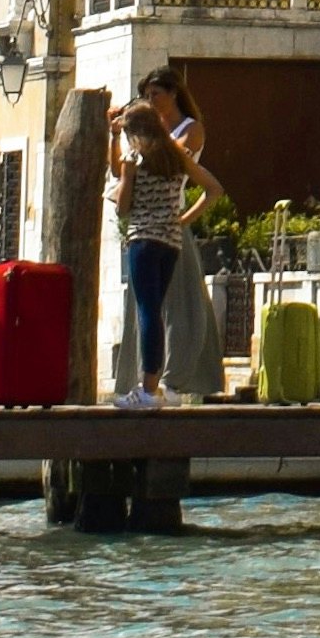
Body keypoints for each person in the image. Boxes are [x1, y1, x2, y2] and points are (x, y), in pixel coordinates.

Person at [112, 69, 220, 400]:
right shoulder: (174, 158)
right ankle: (155, 384)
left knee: (154, 309)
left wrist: (129, 164)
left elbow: (122, 205)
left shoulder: (146, 155)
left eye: (155, 93)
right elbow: (214, 189)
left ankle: (154, 386)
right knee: (155, 311)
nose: (151, 100)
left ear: (174, 93)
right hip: (170, 236)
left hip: (146, 236)